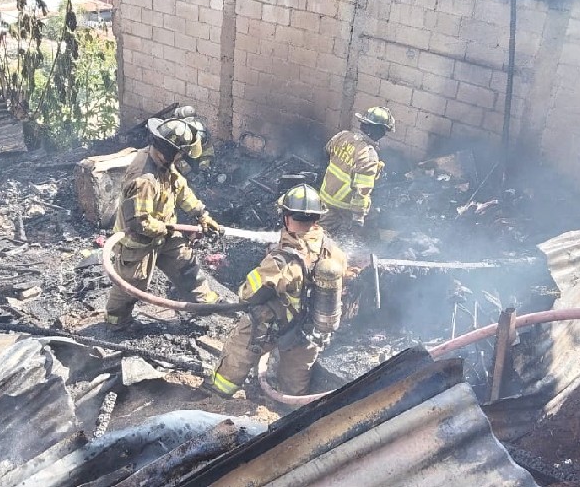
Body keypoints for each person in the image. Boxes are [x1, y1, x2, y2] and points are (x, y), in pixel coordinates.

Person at [204, 184, 348, 397]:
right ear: (317, 220)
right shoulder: (332, 251)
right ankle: (289, 410)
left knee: (240, 346)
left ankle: (218, 393)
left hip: (276, 322)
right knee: (296, 377)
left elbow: (248, 293)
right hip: (309, 329)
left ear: (287, 217)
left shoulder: (280, 263)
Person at [104, 117, 224, 330]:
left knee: (186, 265)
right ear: (170, 151)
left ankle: (205, 304)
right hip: (138, 241)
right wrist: (174, 229)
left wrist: (201, 214)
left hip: (165, 234)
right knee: (131, 285)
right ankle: (116, 323)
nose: (182, 157)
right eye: (180, 152)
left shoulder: (164, 163)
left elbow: (181, 189)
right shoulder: (143, 179)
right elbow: (140, 223)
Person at [318, 106, 396, 234]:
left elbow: (326, 152)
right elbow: (362, 191)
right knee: (373, 218)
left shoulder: (342, 136)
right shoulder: (369, 155)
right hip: (345, 206)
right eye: (384, 131)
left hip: (325, 197)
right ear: (380, 132)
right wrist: (358, 220)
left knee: (321, 234)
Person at [170, 105, 215, 173]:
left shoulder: (189, 131)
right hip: (196, 151)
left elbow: (185, 146)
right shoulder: (196, 124)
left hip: (203, 156)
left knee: (178, 167)